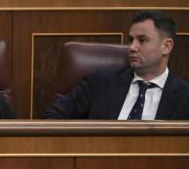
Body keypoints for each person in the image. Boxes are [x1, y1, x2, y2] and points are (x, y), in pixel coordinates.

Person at [43, 10, 189, 120]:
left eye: (142, 40)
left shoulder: (184, 96)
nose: (132, 47)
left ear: (167, 46)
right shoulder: (101, 81)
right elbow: (53, 117)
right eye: (130, 40)